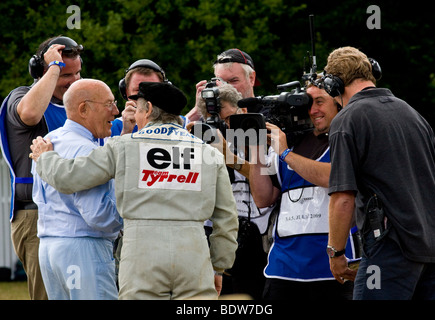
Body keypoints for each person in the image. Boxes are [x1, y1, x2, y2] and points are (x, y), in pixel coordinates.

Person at [30, 81, 238, 300]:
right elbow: (227, 219)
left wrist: (45, 157)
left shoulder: (123, 146)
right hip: (194, 257)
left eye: (137, 109)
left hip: (141, 255)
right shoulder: (209, 154)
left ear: (147, 109)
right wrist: (218, 267)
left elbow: (68, 178)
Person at [324, 46, 435, 299]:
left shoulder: (347, 120)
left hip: (392, 251)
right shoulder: (412, 113)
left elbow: (343, 198)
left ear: (333, 85)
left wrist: (336, 254)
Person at [248, 82, 358, 300]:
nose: (313, 110)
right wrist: (256, 150)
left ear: (338, 103)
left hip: (333, 267)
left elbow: (333, 176)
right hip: (283, 268)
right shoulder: (289, 142)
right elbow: (263, 198)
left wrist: (286, 154)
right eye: (308, 103)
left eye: (320, 102)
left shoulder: (347, 138)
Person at [0, 35, 83, 299]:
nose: (74, 81)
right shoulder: (22, 97)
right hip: (37, 215)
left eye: (78, 73)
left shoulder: (74, 108)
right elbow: (30, 114)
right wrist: (52, 68)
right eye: (65, 74)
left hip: (75, 214)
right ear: (42, 71)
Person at [31, 79, 123, 300]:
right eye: (109, 104)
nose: (116, 111)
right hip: (84, 248)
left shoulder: (49, 141)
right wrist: (130, 216)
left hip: (49, 248)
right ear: (84, 109)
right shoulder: (86, 149)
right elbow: (98, 215)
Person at [195, 83, 273, 299]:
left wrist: (228, 156)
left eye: (232, 119)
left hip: (259, 238)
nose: (228, 127)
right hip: (219, 236)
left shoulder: (261, 134)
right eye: (221, 122)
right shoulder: (203, 142)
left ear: (243, 111)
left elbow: (267, 182)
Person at [186, 48, 257, 123]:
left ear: (251, 78)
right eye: (221, 82)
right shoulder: (211, 116)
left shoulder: (268, 113)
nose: (226, 87)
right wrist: (198, 110)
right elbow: (175, 133)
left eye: (233, 81)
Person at [110, 59, 167, 137]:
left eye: (153, 89)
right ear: (126, 92)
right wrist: (126, 133)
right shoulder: (111, 128)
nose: (146, 96)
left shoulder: (181, 124)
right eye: (138, 90)